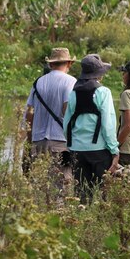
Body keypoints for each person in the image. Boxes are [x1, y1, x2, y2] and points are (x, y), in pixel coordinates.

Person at [63, 54, 119, 203]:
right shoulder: (103, 92)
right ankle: (100, 223)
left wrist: (71, 144)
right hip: (99, 150)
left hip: (78, 150)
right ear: (99, 74)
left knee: (82, 193)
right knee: (103, 195)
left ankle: (80, 221)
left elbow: (66, 123)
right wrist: (114, 150)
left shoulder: (74, 93)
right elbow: (108, 125)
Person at [24, 47, 76, 183]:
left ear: (51, 64)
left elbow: (29, 114)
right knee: (61, 186)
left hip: (38, 141)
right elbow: (67, 111)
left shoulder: (37, 83)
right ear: (69, 64)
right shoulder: (71, 82)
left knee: (40, 187)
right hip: (60, 142)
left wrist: (30, 141)